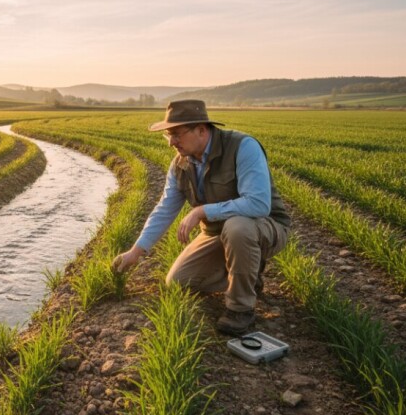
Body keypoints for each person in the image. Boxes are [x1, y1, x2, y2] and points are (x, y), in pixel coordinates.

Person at [112, 99, 290, 335]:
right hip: (216, 233)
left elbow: (258, 204)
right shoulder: (180, 165)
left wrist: (203, 211)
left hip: (264, 228)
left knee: (237, 227)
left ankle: (240, 309)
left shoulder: (243, 147)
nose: (171, 142)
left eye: (176, 134)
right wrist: (136, 251)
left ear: (201, 130)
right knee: (178, 281)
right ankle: (247, 273)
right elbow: (164, 209)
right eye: (168, 135)